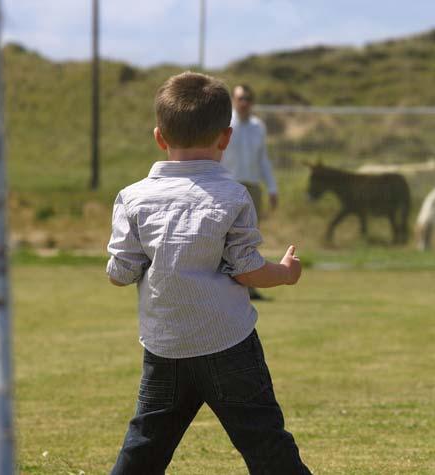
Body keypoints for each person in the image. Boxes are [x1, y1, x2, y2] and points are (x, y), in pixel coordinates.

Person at [106, 71, 311, 474]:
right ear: (225, 137)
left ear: (160, 137)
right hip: (228, 344)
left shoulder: (132, 199)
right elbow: (248, 271)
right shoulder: (233, 195)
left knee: (144, 447)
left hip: (166, 347)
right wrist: (285, 273)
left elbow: (120, 272)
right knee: (266, 444)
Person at [221, 84, 278, 300]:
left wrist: (272, 187)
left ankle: (249, 286)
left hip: (252, 188)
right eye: (240, 98)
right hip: (228, 185)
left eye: (248, 98)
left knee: (249, 238)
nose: (244, 103)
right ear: (234, 101)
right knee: (225, 237)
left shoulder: (258, 127)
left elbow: (263, 159)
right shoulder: (225, 124)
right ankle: (224, 285)